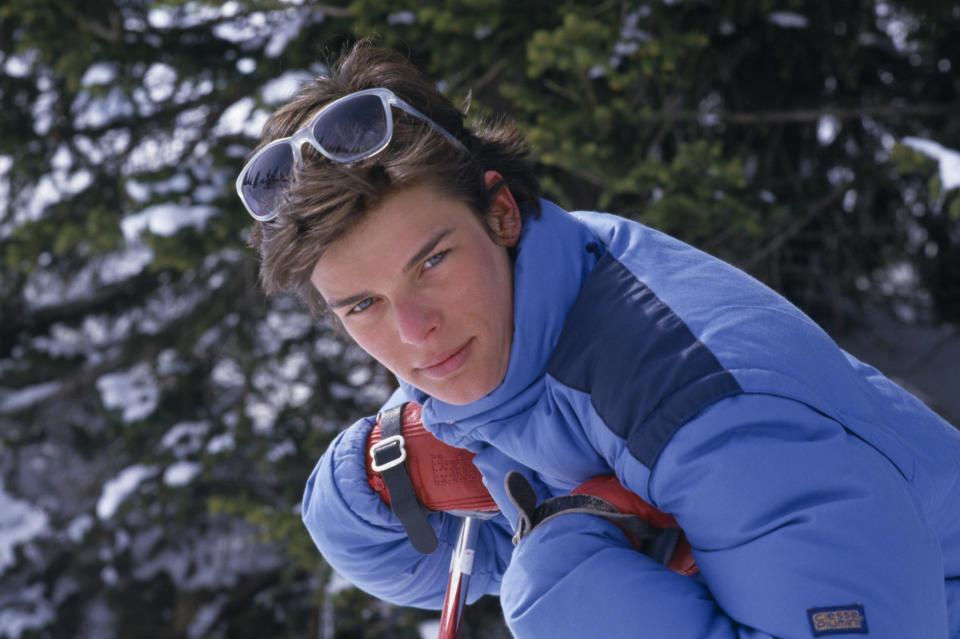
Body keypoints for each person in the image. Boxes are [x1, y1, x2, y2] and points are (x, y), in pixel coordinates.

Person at [239, 42, 960, 638]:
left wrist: (565, 582)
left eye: (431, 262)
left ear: (502, 214)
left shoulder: (691, 406)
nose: (413, 332)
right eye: (364, 304)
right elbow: (454, 559)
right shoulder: (519, 322)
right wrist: (370, 482)